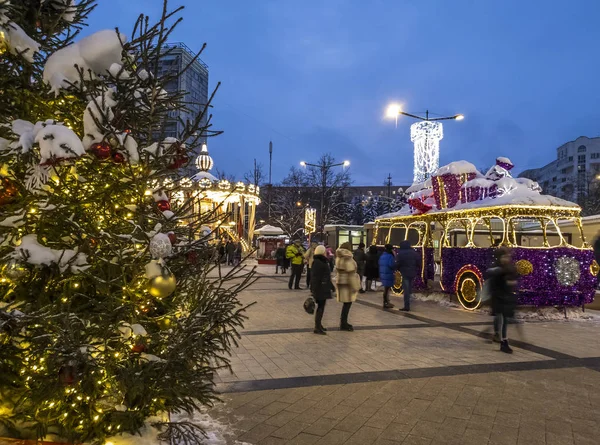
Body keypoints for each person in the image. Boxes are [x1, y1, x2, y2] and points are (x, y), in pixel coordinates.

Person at [486, 247, 518, 353]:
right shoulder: (497, 268)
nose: (506, 259)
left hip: (506, 297)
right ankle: (503, 342)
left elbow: (514, 279)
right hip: (498, 297)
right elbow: (490, 273)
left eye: (508, 256)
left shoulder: (509, 267)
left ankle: (500, 338)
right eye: (504, 257)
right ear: (499, 257)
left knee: (503, 319)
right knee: (502, 319)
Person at [335, 242, 360, 331]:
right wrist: (356, 286)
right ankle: (343, 323)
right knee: (347, 304)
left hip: (341, 281)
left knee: (346, 304)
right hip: (347, 283)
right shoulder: (347, 258)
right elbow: (351, 274)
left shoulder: (339, 257)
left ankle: (343, 322)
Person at [310, 245, 333, 335]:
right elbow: (316, 278)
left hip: (323, 287)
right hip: (320, 288)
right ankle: (317, 327)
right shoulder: (318, 262)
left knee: (321, 307)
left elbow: (326, 275)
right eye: (324, 251)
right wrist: (314, 290)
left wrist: (331, 286)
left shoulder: (321, 261)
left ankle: (319, 325)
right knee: (320, 308)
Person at [395, 240, 421, 312]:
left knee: (406, 290)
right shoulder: (414, 253)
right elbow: (419, 262)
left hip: (405, 273)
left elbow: (398, 263)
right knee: (409, 288)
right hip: (412, 273)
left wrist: (397, 269)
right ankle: (410, 301)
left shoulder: (400, 254)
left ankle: (407, 306)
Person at [378, 244, 396, 309]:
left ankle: (387, 302)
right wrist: (395, 256)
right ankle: (386, 303)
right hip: (388, 274)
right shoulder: (390, 256)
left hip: (383, 274)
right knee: (387, 290)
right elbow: (392, 265)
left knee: (386, 289)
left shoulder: (382, 255)